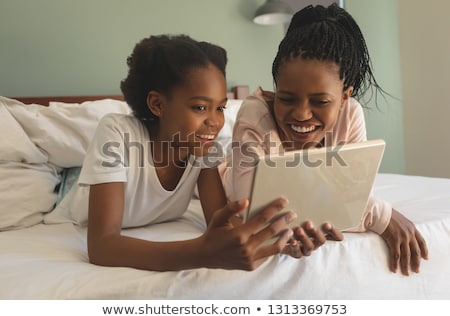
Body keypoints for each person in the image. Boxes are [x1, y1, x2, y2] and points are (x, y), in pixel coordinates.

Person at [82, 34, 339, 272]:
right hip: (80, 207)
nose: (215, 122)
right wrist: (199, 254)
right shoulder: (116, 132)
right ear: (158, 104)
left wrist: (282, 239)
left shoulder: (204, 150)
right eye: (200, 107)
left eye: (220, 108)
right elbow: (102, 246)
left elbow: (221, 224)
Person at [221, 4, 428, 275]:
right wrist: (381, 216)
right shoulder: (255, 112)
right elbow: (256, 212)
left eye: (320, 101)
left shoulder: (351, 113)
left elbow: (352, 196)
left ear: (344, 97)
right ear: (275, 90)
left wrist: (350, 207)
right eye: (286, 98)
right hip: (225, 176)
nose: (302, 114)